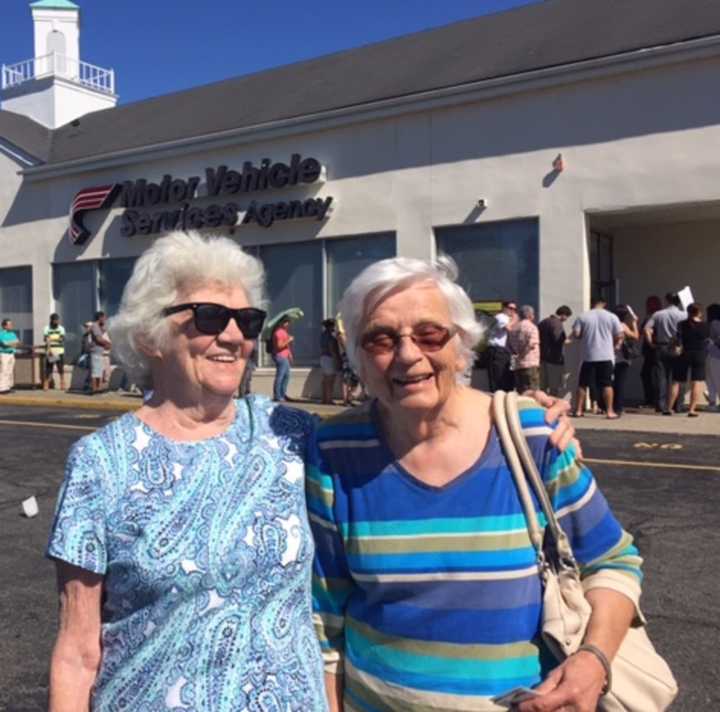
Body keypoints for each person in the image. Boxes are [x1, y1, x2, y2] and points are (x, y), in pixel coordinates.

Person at [309, 256, 641, 712]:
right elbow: (325, 619)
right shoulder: (334, 449)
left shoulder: (529, 434)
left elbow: (613, 561)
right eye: (381, 339)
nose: (408, 354)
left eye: (430, 334)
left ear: (462, 344)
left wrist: (593, 659)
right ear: (359, 359)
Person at [46, 231, 327, 711]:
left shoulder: (291, 433)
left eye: (247, 320)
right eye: (209, 318)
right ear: (149, 337)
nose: (235, 336)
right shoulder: (101, 462)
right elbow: (77, 650)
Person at [572, 296, 624, 419]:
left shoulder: (583, 316)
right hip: (606, 355)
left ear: (592, 303)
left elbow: (577, 334)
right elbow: (619, 334)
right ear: (604, 303)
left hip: (588, 355)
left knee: (582, 384)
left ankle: (579, 410)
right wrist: (614, 344)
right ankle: (610, 411)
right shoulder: (612, 317)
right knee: (607, 384)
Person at [644, 292, 687, 415]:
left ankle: (661, 405)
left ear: (667, 300)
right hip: (678, 347)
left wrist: (651, 342)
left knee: (661, 377)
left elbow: (647, 329)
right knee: (679, 377)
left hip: (662, 346)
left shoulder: (658, 314)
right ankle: (678, 405)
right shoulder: (684, 314)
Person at [668, 303, 710, 417]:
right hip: (699, 354)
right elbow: (707, 340)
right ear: (699, 312)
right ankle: (691, 410)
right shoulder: (705, 325)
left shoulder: (681, 324)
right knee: (695, 383)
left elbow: (677, 339)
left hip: (684, 353)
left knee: (676, 381)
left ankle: (669, 408)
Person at [612, 304, 640, 416]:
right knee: (620, 383)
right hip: (622, 359)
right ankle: (618, 407)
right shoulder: (622, 325)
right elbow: (635, 336)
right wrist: (634, 323)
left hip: (610, 357)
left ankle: (606, 405)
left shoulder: (611, 324)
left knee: (610, 383)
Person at [538, 305, 572, 398]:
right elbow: (558, 339)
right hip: (554, 359)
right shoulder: (557, 323)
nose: (566, 319)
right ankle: (552, 405)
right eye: (567, 317)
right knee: (554, 385)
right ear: (563, 315)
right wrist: (568, 341)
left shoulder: (543, 322)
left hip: (542, 357)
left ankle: (542, 404)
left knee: (543, 385)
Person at [508, 304, 540, 392]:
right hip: (530, 363)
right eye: (533, 314)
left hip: (518, 365)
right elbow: (532, 344)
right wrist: (522, 353)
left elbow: (510, 345)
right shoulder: (532, 327)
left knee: (520, 392)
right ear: (529, 315)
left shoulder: (514, 328)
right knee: (532, 392)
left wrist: (517, 354)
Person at [486, 300, 517, 392]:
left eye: (515, 309)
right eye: (511, 308)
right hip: (496, 351)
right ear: (504, 308)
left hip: (504, 351)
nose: (513, 311)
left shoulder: (507, 318)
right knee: (497, 380)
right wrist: (515, 319)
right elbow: (508, 328)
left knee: (505, 379)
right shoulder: (501, 317)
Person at [639, 295, 662, 408]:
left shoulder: (652, 317)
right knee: (653, 375)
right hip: (654, 350)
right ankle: (654, 399)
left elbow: (643, 331)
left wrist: (651, 343)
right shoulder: (659, 316)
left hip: (651, 350)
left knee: (650, 375)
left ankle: (652, 400)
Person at [43, 313, 67, 391]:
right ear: (52, 320)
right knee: (49, 369)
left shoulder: (61, 328)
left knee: (60, 368)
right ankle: (46, 384)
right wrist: (49, 348)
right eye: (55, 320)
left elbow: (62, 339)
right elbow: (46, 339)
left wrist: (51, 339)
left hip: (59, 351)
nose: (57, 322)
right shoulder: (47, 328)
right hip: (51, 351)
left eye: (57, 320)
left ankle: (62, 383)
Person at [272, 317, 294, 401]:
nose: (287, 324)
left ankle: (283, 394)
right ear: (281, 323)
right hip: (280, 356)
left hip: (285, 356)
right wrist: (289, 340)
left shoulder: (284, 332)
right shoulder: (278, 333)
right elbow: (279, 346)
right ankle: (277, 395)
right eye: (286, 322)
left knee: (286, 376)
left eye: (288, 322)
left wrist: (290, 355)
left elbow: (286, 347)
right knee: (280, 376)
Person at [89, 311, 111, 394]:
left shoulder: (98, 326)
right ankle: (94, 389)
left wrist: (103, 327)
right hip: (95, 351)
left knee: (99, 371)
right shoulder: (95, 326)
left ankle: (98, 388)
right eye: (104, 317)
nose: (105, 319)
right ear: (100, 317)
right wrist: (107, 343)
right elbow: (98, 339)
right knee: (95, 371)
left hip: (99, 352)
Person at [320, 318, 341, 404]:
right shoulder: (331, 336)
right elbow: (332, 349)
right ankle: (329, 400)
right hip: (329, 358)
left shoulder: (323, 334)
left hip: (323, 357)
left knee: (325, 380)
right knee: (330, 381)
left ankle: (324, 399)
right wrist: (337, 360)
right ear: (331, 326)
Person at [0, 318, 20, 394]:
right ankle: (2, 388)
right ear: (4, 326)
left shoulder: (12, 333)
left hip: (11, 354)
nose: (11, 326)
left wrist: (10, 343)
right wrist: (12, 343)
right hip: (4, 354)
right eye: (9, 324)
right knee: (3, 371)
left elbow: (17, 342)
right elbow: (4, 344)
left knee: (10, 371)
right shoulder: (1, 334)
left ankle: (8, 387)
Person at [706, 303, 720, 412]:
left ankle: (712, 402)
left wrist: (712, 340)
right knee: (713, 379)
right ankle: (712, 403)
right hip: (714, 355)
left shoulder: (714, 323)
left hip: (714, 354)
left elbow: (716, 338)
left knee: (713, 380)